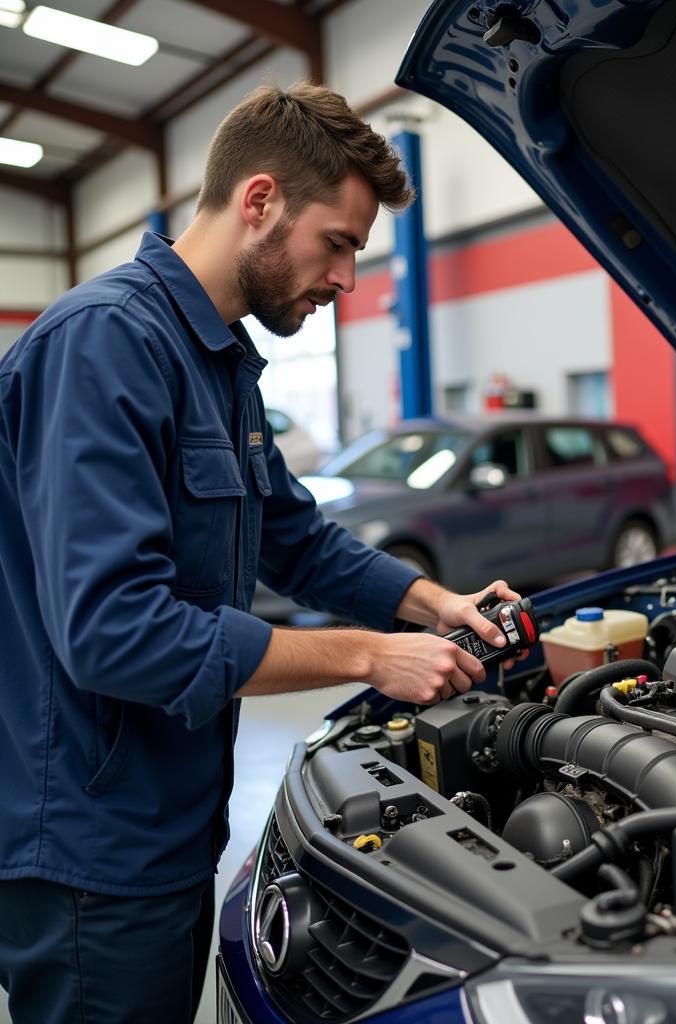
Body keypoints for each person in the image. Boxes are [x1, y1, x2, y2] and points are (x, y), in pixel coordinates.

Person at [0, 82, 523, 1024]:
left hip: (162, 821)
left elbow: (294, 538)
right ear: (260, 201)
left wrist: (430, 606)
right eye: (340, 243)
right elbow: (116, 633)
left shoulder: (217, 361)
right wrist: (370, 655)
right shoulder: (105, 344)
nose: (348, 280)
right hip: (89, 844)